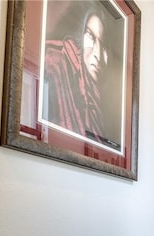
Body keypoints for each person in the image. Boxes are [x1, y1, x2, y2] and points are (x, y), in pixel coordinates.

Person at [43, 4, 113, 146]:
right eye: (90, 36)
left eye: (104, 46)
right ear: (80, 36)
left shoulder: (97, 93)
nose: (97, 55)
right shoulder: (56, 61)